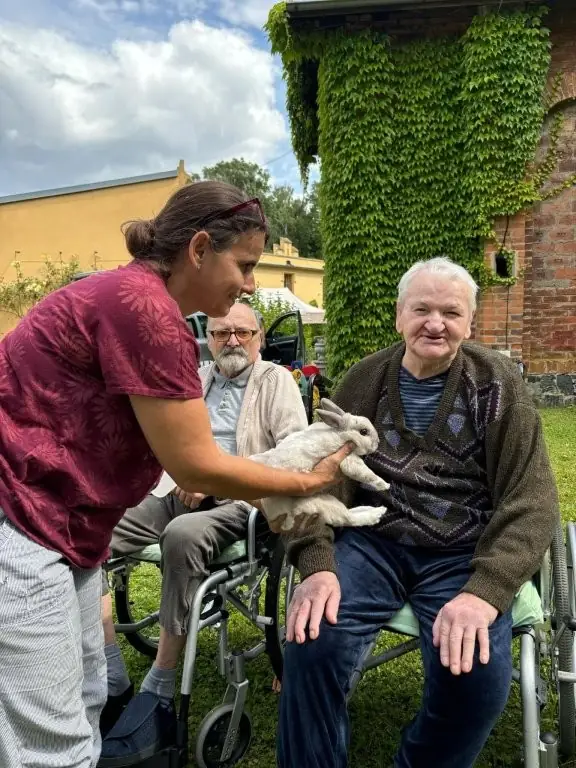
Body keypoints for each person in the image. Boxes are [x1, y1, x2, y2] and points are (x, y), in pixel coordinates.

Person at [0, 180, 350, 768]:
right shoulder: (145, 311)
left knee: (82, 702)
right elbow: (191, 463)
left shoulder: (134, 296)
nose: (251, 284)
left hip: (62, 525)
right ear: (200, 248)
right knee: (47, 746)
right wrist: (311, 484)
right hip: (21, 522)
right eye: (245, 264)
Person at [277, 256, 560, 768]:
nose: (435, 324)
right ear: (398, 316)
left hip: (463, 552)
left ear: (470, 323)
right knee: (312, 641)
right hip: (373, 542)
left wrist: (485, 592)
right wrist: (316, 564)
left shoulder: (498, 385)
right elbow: (318, 479)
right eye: (422, 309)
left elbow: (532, 501)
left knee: (474, 676)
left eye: (451, 312)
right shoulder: (364, 380)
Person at [98, 302, 308, 760]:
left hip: (242, 501)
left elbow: (294, 453)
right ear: (207, 339)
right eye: (220, 333)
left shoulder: (277, 381)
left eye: (242, 332)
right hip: (176, 489)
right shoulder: (196, 379)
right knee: (92, 527)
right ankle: (111, 670)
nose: (231, 341)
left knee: (182, 535)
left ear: (259, 338)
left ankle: (161, 682)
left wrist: (213, 478)